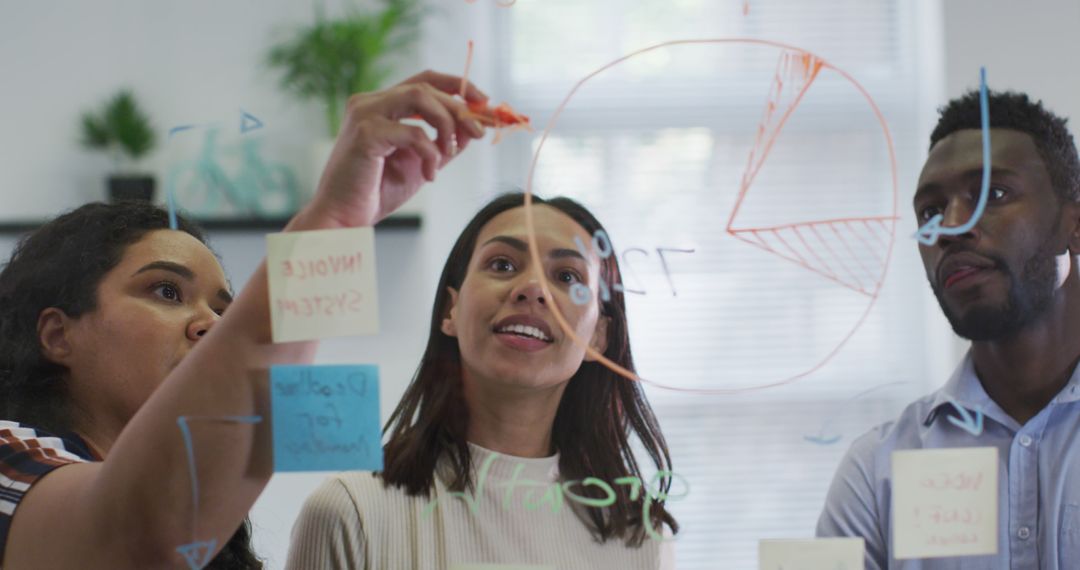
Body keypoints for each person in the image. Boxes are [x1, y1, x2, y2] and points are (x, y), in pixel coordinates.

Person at [0, 69, 489, 569]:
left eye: (223, 311)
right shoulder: (6, 458)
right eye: (166, 292)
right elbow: (139, 534)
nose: (209, 326)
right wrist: (335, 223)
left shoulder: (217, 527)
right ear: (57, 334)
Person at [284, 192, 680, 569]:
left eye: (566, 275)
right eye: (503, 265)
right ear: (451, 310)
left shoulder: (640, 537)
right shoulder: (349, 511)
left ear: (599, 337)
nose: (532, 289)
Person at [816, 89, 1080, 569]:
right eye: (930, 212)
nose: (951, 227)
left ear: (1074, 225)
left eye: (993, 195)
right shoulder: (877, 473)